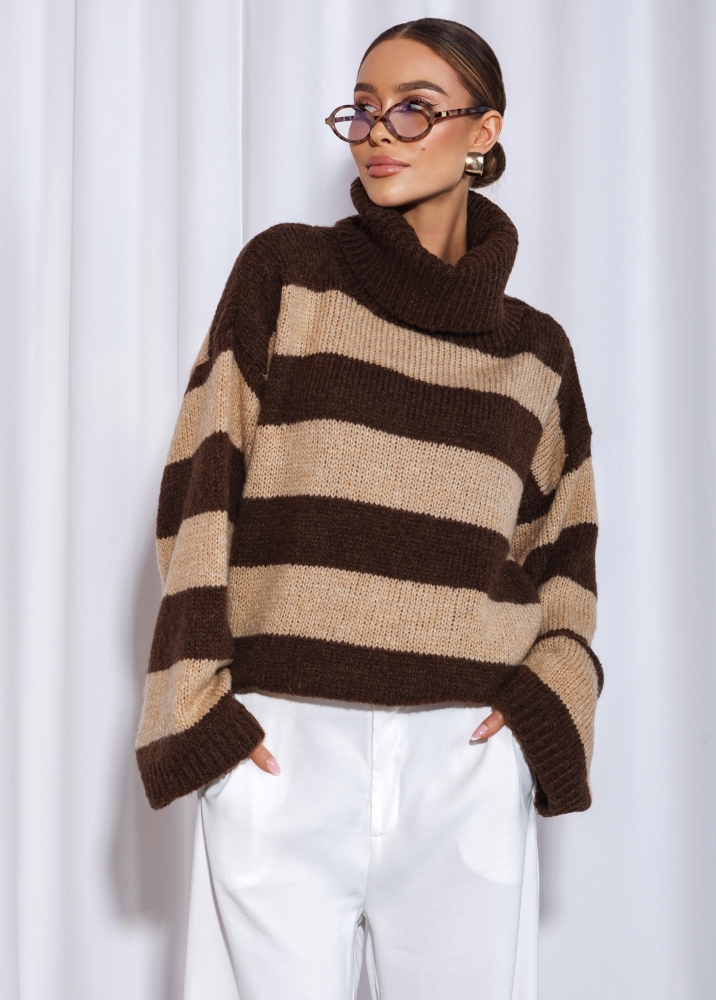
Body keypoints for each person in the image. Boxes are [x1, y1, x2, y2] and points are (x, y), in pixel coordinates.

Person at [135, 17, 602, 1000]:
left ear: (484, 132)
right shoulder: (286, 273)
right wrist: (204, 714)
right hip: (282, 747)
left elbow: (566, 556)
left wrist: (540, 710)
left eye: (414, 109)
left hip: (464, 760)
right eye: (362, 109)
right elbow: (198, 490)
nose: (378, 132)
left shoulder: (538, 353)